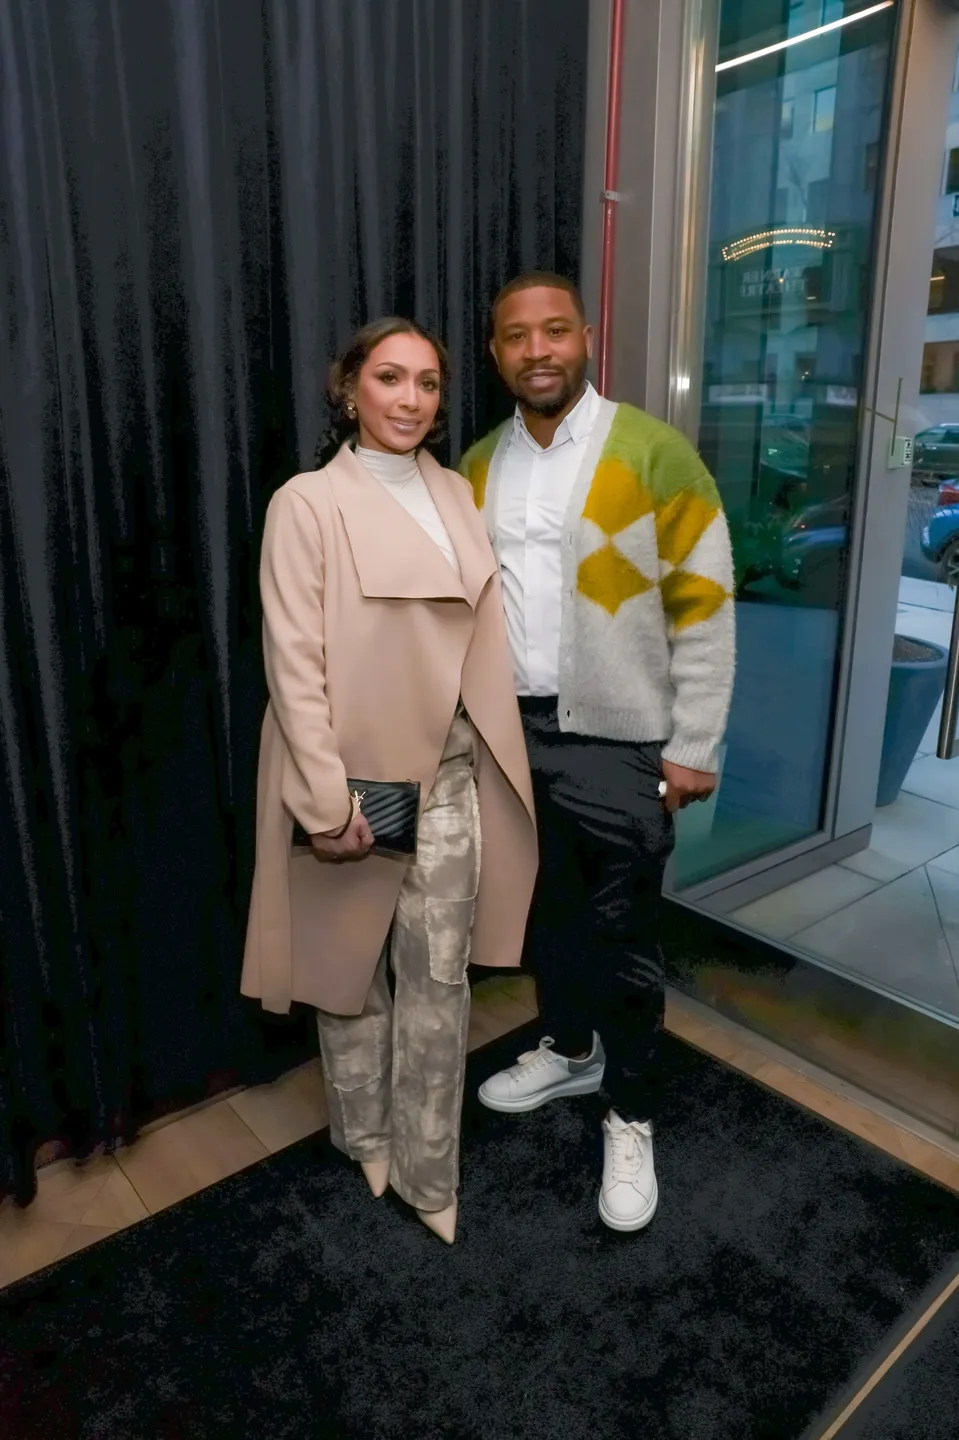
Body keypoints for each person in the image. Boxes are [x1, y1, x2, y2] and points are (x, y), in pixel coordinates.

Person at [241, 318, 537, 1245]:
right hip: (349, 771)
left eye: (429, 384)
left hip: (449, 771)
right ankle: (361, 1131)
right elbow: (291, 659)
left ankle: (425, 1167)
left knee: (438, 979)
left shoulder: (454, 492)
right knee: (347, 974)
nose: (410, 400)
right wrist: (323, 802)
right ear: (350, 390)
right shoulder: (306, 503)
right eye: (389, 379)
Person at [459, 273, 735, 1233]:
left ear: (587, 335)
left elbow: (704, 605)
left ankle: (630, 1113)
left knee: (621, 936)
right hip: (511, 734)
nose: (537, 350)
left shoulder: (653, 453)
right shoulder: (478, 466)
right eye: (514, 336)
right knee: (544, 916)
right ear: (494, 354)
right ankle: (568, 1050)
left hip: (617, 739)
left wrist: (694, 742)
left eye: (554, 331)